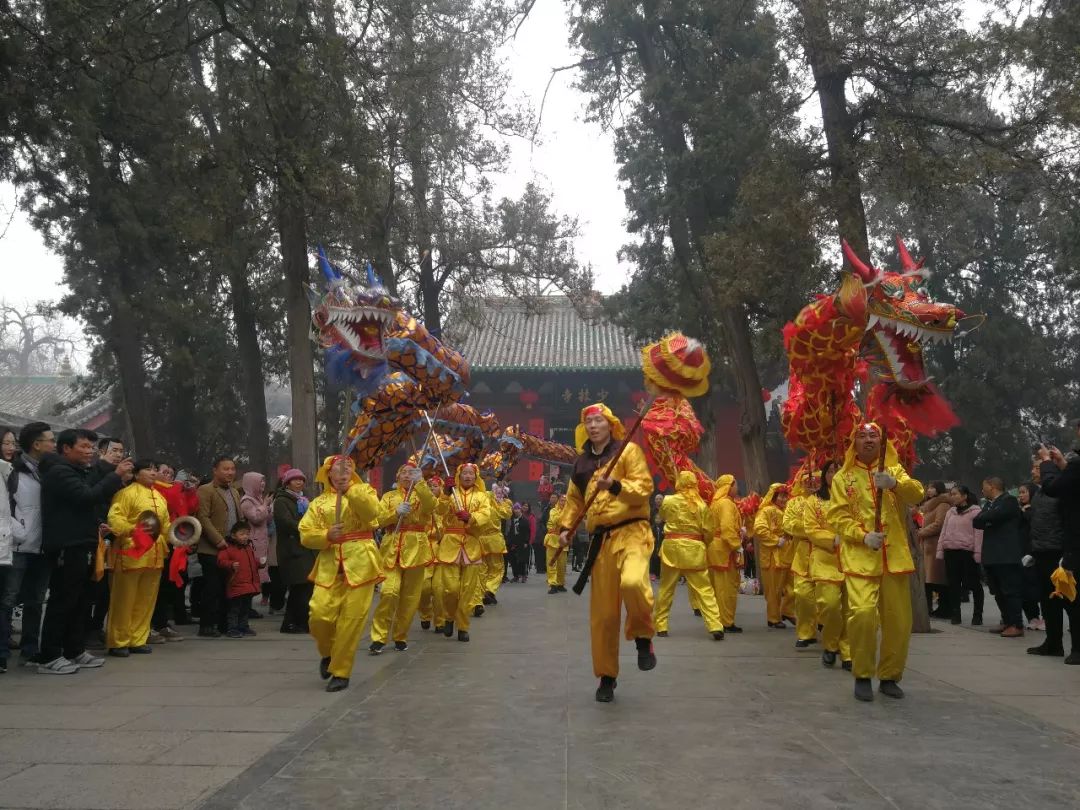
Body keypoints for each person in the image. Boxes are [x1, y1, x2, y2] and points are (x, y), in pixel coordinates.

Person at [558, 403, 655, 703]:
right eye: (588, 422)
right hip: (601, 542)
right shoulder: (582, 464)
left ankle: (643, 636)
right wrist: (565, 527)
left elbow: (645, 487)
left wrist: (615, 485)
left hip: (632, 532)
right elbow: (574, 501)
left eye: (598, 420)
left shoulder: (627, 452)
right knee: (604, 616)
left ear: (610, 424)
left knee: (633, 582)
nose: (593, 426)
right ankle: (606, 677)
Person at [828, 422, 924, 702]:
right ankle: (862, 673)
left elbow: (917, 494)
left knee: (898, 621)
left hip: (893, 558)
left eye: (874, 435)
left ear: (882, 442)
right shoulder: (842, 479)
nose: (868, 440)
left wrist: (895, 484)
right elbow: (837, 516)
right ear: (853, 443)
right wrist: (861, 536)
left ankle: (890, 675)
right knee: (862, 614)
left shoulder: (894, 470)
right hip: (860, 557)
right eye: (862, 436)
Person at [38, 428, 130, 674]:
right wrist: (115, 476)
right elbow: (85, 496)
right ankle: (48, 656)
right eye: (84, 447)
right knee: (63, 600)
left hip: (84, 542)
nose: (89, 452)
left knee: (81, 601)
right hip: (66, 545)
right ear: (66, 448)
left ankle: (74, 650)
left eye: (91, 447)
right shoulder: (59, 472)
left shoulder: (78, 471)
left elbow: (88, 501)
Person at [300, 456, 383, 691]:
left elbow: (372, 513)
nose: (343, 473)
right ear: (328, 474)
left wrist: (351, 492)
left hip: (362, 563)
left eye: (348, 469)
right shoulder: (319, 503)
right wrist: (326, 535)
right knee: (318, 615)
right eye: (338, 469)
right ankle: (328, 653)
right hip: (329, 564)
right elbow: (305, 534)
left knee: (351, 621)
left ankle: (341, 671)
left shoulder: (364, 491)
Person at [2, 422, 55, 666]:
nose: (53, 445)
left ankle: (30, 647)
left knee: (36, 599)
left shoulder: (50, 471)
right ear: (36, 444)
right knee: (8, 600)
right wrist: (19, 532)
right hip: (19, 546)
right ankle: (2, 650)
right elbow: (5, 508)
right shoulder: (12, 471)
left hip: (43, 546)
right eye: (50, 440)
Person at [106, 459, 171, 657]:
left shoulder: (160, 497)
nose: (152, 473)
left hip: (155, 555)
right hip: (131, 553)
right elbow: (114, 519)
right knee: (123, 600)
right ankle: (118, 641)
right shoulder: (125, 493)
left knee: (146, 600)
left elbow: (166, 525)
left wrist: (176, 536)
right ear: (135, 474)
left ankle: (138, 639)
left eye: (154, 469)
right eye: (147, 469)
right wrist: (132, 531)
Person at [369, 463, 434, 654]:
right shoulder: (389, 497)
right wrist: (395, 513)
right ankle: (379, 637)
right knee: (389, 592)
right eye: (404, 472)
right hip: (392, 547)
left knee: (410, 597)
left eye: (411, 473)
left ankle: (400, 636)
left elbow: (432, 506)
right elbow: (378, 520)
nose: (407, 475)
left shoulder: (422, 493)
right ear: (397, 476)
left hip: (417, 547)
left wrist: (420, 483)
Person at [653, 469, 724, 640]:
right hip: (694, 549)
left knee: (666, 588)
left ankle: (661, 625)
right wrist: (702, 543)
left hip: (672, 548)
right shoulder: (701, 505)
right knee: (704, 590)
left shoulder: (668, 500)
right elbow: (709, 531)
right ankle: (715, 625)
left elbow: (661, 518)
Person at [434, 463, 490, 641]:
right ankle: (449, 617)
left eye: (471, 474)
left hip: (471, 544)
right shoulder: (450, 494)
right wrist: (445, 494)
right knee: (450, 589)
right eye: (464, 473)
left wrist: (472, 518)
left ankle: (463, 626)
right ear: (458, 476)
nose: (467, 476)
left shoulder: (482, 496)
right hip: (450, 543)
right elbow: (439, 511)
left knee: (468, 590)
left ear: (476, 477)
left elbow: (486, 515)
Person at [1037, 429, 1080, 664]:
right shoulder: (1074, 465)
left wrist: (1046, 463)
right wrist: (1063, 464)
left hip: (1073, 541)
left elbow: (1054, 487)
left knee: (1073, 596)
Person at [803, 460, 851, 669]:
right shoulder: (814, 501)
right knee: (830, 606)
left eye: (839, 470)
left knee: (851, 609)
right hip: (825, 559)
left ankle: (848, 651)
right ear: (824, 475)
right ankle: (831, 645)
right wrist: (833, 540)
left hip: (853, 558)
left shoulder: (853, 498)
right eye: (831, 471)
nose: (835, 474)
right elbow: (811, 529)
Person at [195, 456, 242, 637]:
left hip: (231, 547)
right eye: (225, 469)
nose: (230, 472)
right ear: (215, 470)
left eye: (232, 469)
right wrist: (217, 539)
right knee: (212, 588)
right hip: (211, 549)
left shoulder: (235, 491)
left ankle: (224, 624)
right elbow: (203, 518)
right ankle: (207, 625)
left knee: (227, 587)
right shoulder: (205, 490)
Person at [972, 477, 1025, 638]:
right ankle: (1006, 620)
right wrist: (989, 517)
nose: (982, 490)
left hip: (1006, 554)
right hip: (992, 555)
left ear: (993, 486)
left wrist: (988, 517)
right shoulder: (990, 504)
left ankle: (1016, 624)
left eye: (984, 487)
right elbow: (977, 521)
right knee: (998, 591)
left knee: (1010, 590)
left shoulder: (1008, 501)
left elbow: (994, 516)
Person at [150, 463, 197, 641]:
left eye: (171, 472)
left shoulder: (174, 489)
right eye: (164, 472)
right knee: (160, 586)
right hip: (161, 542)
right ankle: (156, 624)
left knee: (169, 586)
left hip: (177, 541)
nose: (168, 474)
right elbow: (170, 502)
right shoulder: (157, 488)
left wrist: (191, 491)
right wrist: (179, 485)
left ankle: (162, 623)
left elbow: (190, 508)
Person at [936, 485, 985, 626]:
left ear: (964, 496)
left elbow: (979, 534)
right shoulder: (950, 512)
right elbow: (943, 532)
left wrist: (977, 553)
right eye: (951, 494)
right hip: (951, 551)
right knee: (953, 584)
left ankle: (978, 615)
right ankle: (955, 613)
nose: (952, 496)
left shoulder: (976, 511)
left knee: (973, 584)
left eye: (955, 494)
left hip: (967, 552)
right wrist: (940, 549)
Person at [274, 468, 315, 634]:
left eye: (301, 480)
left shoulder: (304, 500)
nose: (299, 482)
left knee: (304, 588)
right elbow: (285, 522)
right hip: (291, 550)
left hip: (305, 548)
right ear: (287, 482)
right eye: (295, 479)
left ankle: (298, 622)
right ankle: (293, 623)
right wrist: (306, 527)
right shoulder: (281, 501)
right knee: (299, 588)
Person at [783, 470, 818, 648]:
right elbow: (788, 524)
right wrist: (810, 530)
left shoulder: (828, 500)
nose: (811, 483)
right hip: (803, 551)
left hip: (827, 552)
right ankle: (806, 632)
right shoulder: (794, 503)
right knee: (803, 595)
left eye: (815, 480)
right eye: (807, 480)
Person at [708, 475, 743, 634]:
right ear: (729, 486)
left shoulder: (717, 503)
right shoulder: (726, 504)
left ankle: (721, 620)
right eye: (735, 484)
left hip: (717, 548)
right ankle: (726, 621)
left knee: (719, 587)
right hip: (724, 549)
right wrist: (737, 545)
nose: (737, 487)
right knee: (726, 588)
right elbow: (727, 528)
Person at [216, 520, 263, 638]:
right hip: (236, 584)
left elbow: (251, 563)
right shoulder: (228, 548)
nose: (245, 536)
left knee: (245, 608)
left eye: (247, 534)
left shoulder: (248, 548)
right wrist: (231, 564)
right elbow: (221, 561)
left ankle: (243, 626)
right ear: (233, 535)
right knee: (234, 609)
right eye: (242, 534)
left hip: (248, 585)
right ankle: (232, 628)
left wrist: (260, 563)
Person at [754, 483, 790, 629]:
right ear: (774, 496)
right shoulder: (766, 511)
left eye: (785, 496)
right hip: (771, 556)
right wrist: (776, 540)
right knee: (773, 590)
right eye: (781, 496)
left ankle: (787, 612)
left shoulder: (786, 510)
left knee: (789, 587)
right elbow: (759, 529)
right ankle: (773, 618)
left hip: (785, 554)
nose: (783, 499)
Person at [917, 481, 951, 618]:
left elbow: (939, 524)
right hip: (926, 546)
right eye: (928, 487)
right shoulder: (928, 506)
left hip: (936, 545)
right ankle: (929, 608)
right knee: (928, 580)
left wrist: (922, 532)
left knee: (938, 579)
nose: (929, 490)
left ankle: (945, 607)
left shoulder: (943, 504)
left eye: (932, 488)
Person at [478, 482, 512, 609]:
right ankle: (487, 591)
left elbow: (506, 514)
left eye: (502, 491)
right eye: (497, 490)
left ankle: (487, 592)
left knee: (494, 568)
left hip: (492, 539)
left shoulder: (505, 503)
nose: (499, 492)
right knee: (488, 568)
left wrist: (500, 501)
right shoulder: (485, 497)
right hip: (484, 538)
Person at [1017, 482, 1045, 630]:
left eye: (1024, 492)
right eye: (1019, 493)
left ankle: (1045, 618)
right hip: (1021, 554)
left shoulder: (1037, 510)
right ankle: (1032, 617)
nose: (1021, 495)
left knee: (1038, 588)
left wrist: (1027, 513)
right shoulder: (1019, 510)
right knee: (1025, 588)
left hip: (1035, 554)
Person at [544, 494, 567, 593]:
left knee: (562, 565)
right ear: (558, 501)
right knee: (552, 563)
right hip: (553, 539)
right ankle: (553, 584)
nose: (563, 503)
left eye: (565, 501)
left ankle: (560, 584)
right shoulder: (553, 511)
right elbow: (555, 520)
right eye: (562, 500)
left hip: (563, 540)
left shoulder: (569, 512)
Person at [506, 502, 531, 584]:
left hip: (522, 542)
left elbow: (527, 532)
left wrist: (526, 542)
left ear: (520, 510)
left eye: (517, 509)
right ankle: (516, 576)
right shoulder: (512, 520)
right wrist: (509, 542)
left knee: (522, 560)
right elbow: (510, 532)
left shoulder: (525, 520)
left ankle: (523, 575)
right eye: (514, 509)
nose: (516, 511)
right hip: (513, 542)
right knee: (513, 560)